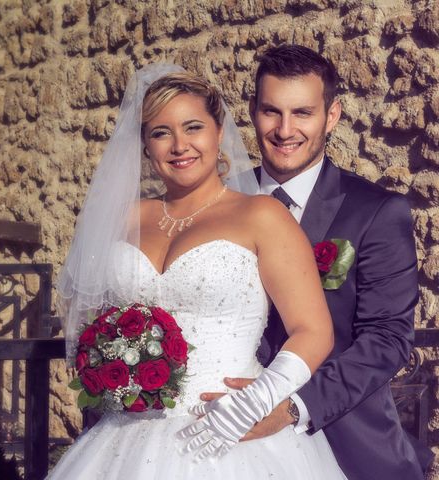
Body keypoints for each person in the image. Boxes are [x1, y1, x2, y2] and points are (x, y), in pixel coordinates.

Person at [49, 64, 348, 479]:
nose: (179, 145)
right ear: (145, 145)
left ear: (217, 130)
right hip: (126, 436)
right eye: (160, 132)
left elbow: (314, 329)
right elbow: (94, 320)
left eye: (193, 127)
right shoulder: (125, 218)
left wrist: (261, 399)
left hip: (230, 426)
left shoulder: (261, 215)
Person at [200, 45, 432, 479]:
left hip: (339, 437)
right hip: (222, 435)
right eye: (272, 112)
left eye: (302, 113)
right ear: (252, 111)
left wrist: (289, 408)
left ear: (333, 115)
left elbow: (386, 340)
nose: (285, 130)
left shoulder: (377, 212)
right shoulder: (217, 203)